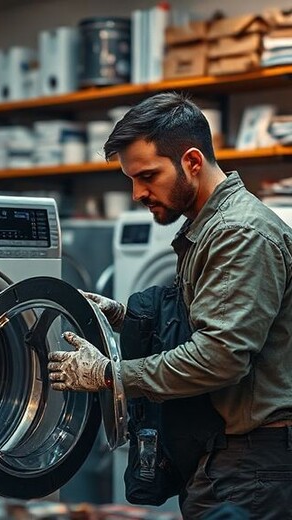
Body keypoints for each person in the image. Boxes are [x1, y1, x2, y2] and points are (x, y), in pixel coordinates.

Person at [47, 92, 292, 519]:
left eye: (147, 175)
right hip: (230, 456)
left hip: (252, 464)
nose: (138, 192)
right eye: (131, 179)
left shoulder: (238, 233)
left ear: (192, 162)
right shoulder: (208, 226)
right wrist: (123, 318)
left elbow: (220, 357)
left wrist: (110, 375)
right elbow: (197, 322)